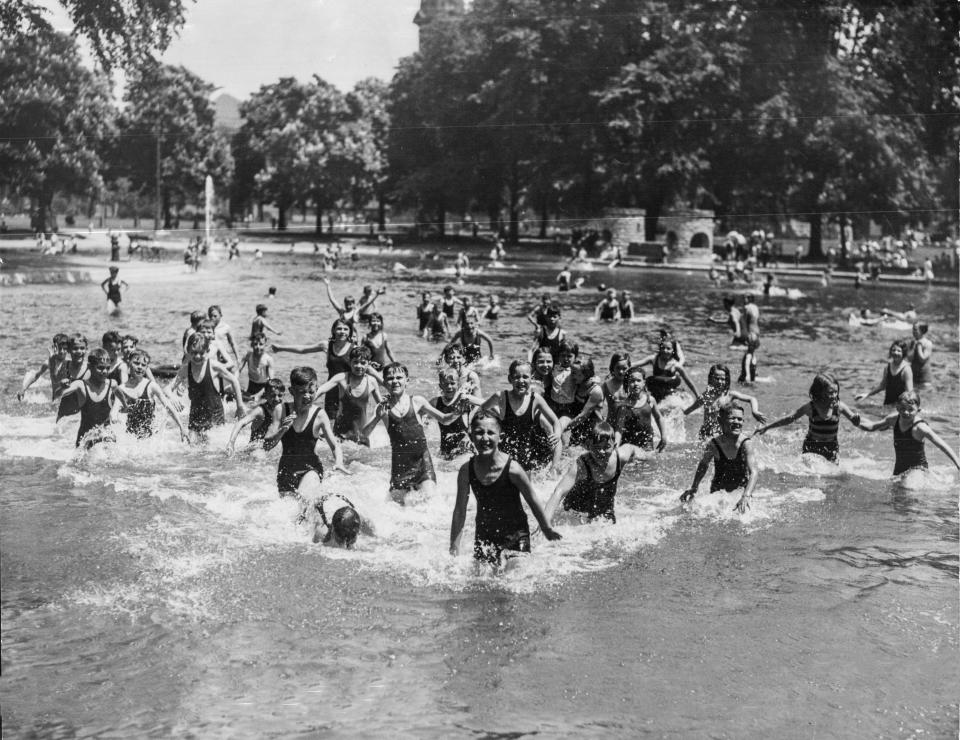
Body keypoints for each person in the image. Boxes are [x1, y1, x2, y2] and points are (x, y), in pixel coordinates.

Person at [450, 412, 561, 572]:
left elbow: (532, 499)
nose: (485, 438)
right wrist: (454, 549)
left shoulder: (513, 469)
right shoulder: (466, 471)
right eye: (479, 433)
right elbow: (460, 510)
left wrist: (546, 528)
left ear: (500, 437)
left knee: (514, 580)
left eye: (490, 433)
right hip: (485, 536)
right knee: (482, 587)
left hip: (516, 535)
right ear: (471, 436)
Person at [361, 363, 459, 504]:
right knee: (396, 508)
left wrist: (457, 412)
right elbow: (364, 434)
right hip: (400, 467)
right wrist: (377, 416)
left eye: (399, 377)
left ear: (407, 380)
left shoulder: (418, 401)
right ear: (385, 382)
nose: (395, 381)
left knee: (431, 502)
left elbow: (444, 420)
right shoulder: (382, 408)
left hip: (422, 465)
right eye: (390, 378)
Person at [263, 366, 348, 501]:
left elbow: (334, 445)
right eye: (302, 392)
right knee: (291, 514)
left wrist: (339, 462)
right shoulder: (281, 410)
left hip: (311, 469)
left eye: (311, 391)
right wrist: (282, 430)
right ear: (292, 391)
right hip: (286, 471)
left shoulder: (320, 415)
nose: (308, 396)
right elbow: (266, 445)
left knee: (305, 499)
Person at [545, 421, 646, 524]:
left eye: (606, 447)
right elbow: (559, 492)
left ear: (614, 446)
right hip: (575, 509)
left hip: (604, 509)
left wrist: (646, 456)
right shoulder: (582, 465)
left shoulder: (620, 457)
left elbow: (631, 448)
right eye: (597, 447)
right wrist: (545, 523)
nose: (601, 452)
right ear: (588, 446)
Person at [474, 359, 562, 472]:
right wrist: (480, 431)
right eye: (516, 377)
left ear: (531, 378)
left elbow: (555, 421)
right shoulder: (501, 396)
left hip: (526, 456)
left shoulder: (536, 399)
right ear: (510, 379)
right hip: (503, 456)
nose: (521, 381)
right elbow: (481, 410)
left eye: (525, 377)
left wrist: (557, 435)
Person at [753, 372, 858, 462]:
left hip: (831, 448)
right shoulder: (811, 407)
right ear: (820, 392)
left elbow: (854, 420)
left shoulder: (839, 407)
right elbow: (790, 418)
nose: (835, 395)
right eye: (831, 392)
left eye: (836, 392)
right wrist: (767, 427)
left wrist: (856, 420)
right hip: (812, 447)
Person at [680, 403, 759, 513]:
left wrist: (746, 496)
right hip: (718, 493)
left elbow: (754, 472)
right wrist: (694, 488)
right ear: (720, 420)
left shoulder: (746, 444)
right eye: (732, 418)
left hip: (740, 493)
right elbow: (703, 465)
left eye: (740, 419)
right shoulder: (714, 444)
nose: (737, 422)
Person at [857, 391, 960, 475]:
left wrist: (958, 463)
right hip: (899, 470)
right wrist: (853, 419)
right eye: (902, 409)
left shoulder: (920, 428)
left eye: (910, 409)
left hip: (918, 471)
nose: (906, 412)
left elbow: (943, 445)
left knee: (909, 492)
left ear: (918, 410)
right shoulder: (893, 419)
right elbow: (872, 427)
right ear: (897, 408)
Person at [272, 318, 354, 422]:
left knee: (347, 422)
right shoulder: (327, 345)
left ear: (350, 331)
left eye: (346, 329)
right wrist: (281, 348)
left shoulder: (354, 349)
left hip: (347, 390)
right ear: (333, 330)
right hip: (330, 390)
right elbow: (303, 349)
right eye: (339, 328)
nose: (342, 332)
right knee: (331, 421)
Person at [170, 334, 246, 441]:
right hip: (195, 416)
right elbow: (168, 388)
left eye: (201, 353)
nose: (197, 356)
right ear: (188, 351)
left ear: (208, 351)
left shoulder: (214, 366)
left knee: (213, 448)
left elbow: (234, 381)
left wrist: (240, 406)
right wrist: (172, 397)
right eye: (194, 353)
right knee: (192, 449)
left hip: (215, 415)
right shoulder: (185, 369)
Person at [313, 345, 383, 445]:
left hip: (361, 435)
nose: (359, 366)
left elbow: (382, 406)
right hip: (340, 435)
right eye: (355, 362)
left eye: (363, 363)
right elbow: (320, 391)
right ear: (350, 362)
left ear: (369, 364)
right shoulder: (341, 378)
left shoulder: (371, 381)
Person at [117, 349, 187, 440]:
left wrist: (181, 427)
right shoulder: (122, 389)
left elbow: (168, 407)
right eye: (136, 363)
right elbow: (115, 411)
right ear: (128, 363)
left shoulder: (151, 386)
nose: (139, 367)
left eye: (143, 365)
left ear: (146, 368)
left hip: (150, 438)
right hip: (130, 438)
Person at [685, 364, 765, 441]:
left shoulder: (730, 395)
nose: (720, 381)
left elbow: (752, 399)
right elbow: (690, 409)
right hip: (706, 434)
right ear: (711, 378)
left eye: (723, 379)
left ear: (727, 380)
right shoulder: (706, 396)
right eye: (717, 378)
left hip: (723, 433)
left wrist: (754, 411)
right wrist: (678, 415)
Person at [58, 348, 119, 448]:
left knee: (110, 448)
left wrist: (116, 410)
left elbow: (120, 396)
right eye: (100, 368)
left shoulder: (112, 384)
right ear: (89, 367)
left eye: (107, 368)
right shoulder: (81, 385)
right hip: (85, 439)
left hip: (106, 435)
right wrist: (61, 386)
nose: (104, 371)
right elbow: (59, 394)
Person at [613, 367, 667, 451]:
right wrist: (615, 445)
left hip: (647, 443)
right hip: (629, 444)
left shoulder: (650, 400)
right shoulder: (624, 406)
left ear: (644, 383)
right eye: (632, 381)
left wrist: (663, 436)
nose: (635, 384)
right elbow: (619, 429)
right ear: (627, 384)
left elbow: (659, 417)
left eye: (638, 380)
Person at [227, 377, 286, 451]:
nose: (277, 399)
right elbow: (240, 423)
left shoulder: (283, 407)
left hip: (270, 446)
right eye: (273, 395)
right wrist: (231, 443)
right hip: (254, 450)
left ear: (284, 394)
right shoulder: (260, 411)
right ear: (266, 395)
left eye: (280, 395)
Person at [432, 368, 474, 459]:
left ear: (458, 385)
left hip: (464, 451)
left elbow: (485, 404)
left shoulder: (464, 399)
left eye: (452, 383)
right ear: (440, 385)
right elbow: (419, 412)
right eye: (446, 384)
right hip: (445, 451)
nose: (449, 386)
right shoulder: (436, 402)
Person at [855, 340, 913, 405]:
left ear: (903, 353)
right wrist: (867, 395)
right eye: (893, 350)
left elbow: (909, 392)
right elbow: (882, 386)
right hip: (887, 403)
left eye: (899, 351)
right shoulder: (887, 367)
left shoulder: (906, 369)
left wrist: (911, 406)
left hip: (900, 406)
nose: (895, 353)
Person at [17, 333, 71, 401]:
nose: (62, 351)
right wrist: (23, 388)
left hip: (68, 400)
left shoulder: (70, 363)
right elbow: (36, 375)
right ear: (54, 347)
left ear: (68, 349)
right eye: (59, 348)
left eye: (65, 349)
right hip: (55, 399)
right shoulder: (48, 362)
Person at [311, 493, 376, 547]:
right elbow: (315, 543)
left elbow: (374, 537)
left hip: (341, 500)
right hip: (325, 501)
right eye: (340, 540)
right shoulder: (322, 529)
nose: (344, 543)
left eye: (351, 540)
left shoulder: (362, 521)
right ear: (332, 530)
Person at [238, 332, 274, 401]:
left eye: (261, 344)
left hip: (264, 388)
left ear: (265, 345)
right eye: (255, 344)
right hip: (251, 385)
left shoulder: (268, 360)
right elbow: (238, 370)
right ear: (252, 344)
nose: (258, 347)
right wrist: (234, 383)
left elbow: (271, 383)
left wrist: (258, 395)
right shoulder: (248, 355)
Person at [908, 322, 932, 387]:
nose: (913, 331)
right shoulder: (912, 342)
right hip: (913, 377)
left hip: (924, 379)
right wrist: (913, 347)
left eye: (915, 329)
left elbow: (922, 359)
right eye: (913, 329)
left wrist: (919, 347)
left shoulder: (928, 343)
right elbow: (909, 359)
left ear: (922, 331)